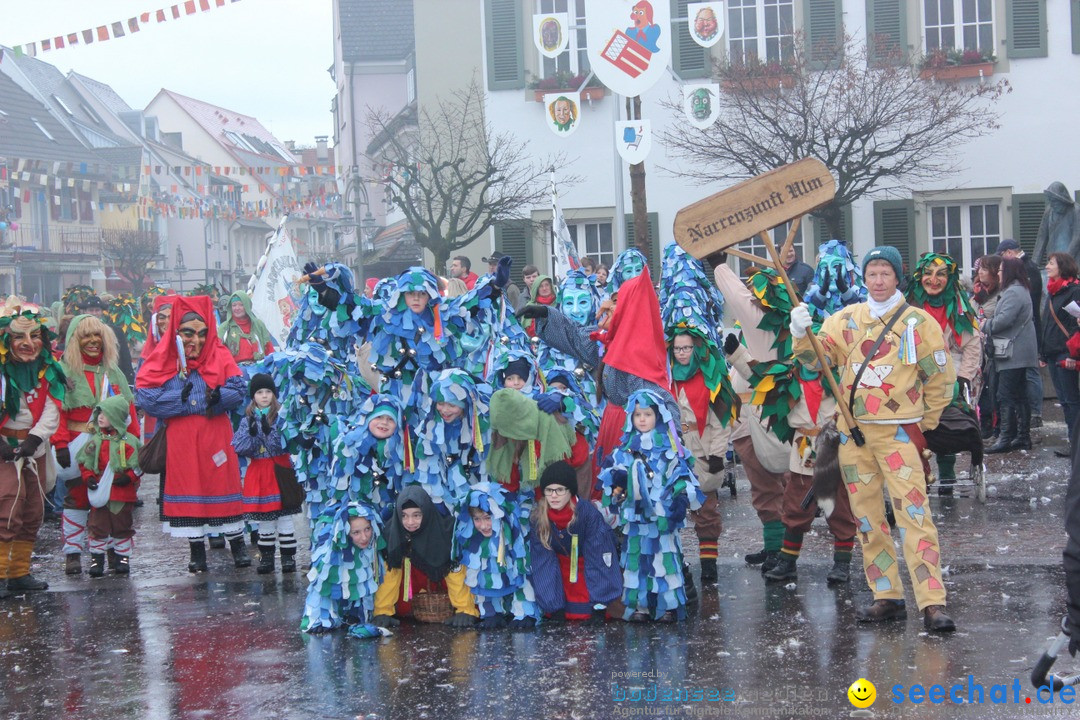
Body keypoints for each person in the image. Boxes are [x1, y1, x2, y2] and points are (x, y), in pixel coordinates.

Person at [789, 245, 957, 632]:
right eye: (872, 274)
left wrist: (923, 424)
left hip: (899, 434)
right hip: (854, 436)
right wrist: (802, 335)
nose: (878, 281)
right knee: (868, 519)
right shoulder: (844, 320)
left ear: (898, 277)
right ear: (862, 278)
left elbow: (940, 378)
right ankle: (887, 596)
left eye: (885, 273)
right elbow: (818, 361)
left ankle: (932, 602)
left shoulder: (918, 324)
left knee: (915, 516)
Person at [135, 295, 252, 573]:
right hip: (182, 437)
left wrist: (218, 398)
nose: (195, 341)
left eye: (202, 334)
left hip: (215, 432)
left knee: (223, 484)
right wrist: (179, 399)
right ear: (176, 333)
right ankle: (197, 550)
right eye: (188, 334)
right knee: (190, 487)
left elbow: (238, 387)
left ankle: (237, 544)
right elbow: (146, 397)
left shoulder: (219, 353)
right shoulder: (163, 358)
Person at [600, 390, 703, 622]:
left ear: (658, 416)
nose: (642, 419)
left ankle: (668, 606)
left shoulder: (671, 449)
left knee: (664, 560)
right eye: (637, 415)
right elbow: (613, 478)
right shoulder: (625, 450)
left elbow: (682, 475)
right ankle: (641, 607)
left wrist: (680, 499)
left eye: (647, 414)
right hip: (636, 518)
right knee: (636, 561)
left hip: (663, 516)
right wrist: (616, 485)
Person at [53, 314, 139, 576]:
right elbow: (57, 411)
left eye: (96, 335)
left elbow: (128, 412)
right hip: (77, 445)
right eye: (85, 336)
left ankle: (112, 551)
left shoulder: (113, 372)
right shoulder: (64, 371)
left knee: (112, 501)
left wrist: (135, 450)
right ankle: (73, 552)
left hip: (111, 447)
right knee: (77, 498)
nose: (92, 341)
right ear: (74, 340)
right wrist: (60, 444)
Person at [0, 298, 65, 599]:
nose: (28, 343)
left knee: (32, 510)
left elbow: (53, 407)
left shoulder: (47, 371)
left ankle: (18, 572)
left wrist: (35, 439)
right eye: (19, 337)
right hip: (5, 451)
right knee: (7, 508)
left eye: (34, 336)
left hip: (33, 449)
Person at [904, 253, 982, 494]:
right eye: (928, 273)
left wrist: (964, 377)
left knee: (944, 423)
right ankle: (918, 474)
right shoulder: (908, 308)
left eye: (941, 274)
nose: (933, 279)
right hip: (914, 374)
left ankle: (947, 471)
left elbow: (972, 345)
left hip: (952, 374)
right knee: (913, 424)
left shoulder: (959, 309)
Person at [372, 485, 479, 628]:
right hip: (407, 600)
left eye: (416, 515)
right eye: (404, 516)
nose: (410, 522)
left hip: (442, 596)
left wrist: (465, 610)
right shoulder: (392, 532)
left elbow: (454, 571)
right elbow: (390, 572)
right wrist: (382, 611)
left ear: (426, 512)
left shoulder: (443, 532)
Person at [529, 460, 622, 622]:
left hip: (588, 572)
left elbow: (599, 557)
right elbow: (542, 562)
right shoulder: (539, 518)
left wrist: (600, 603)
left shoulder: (587, 514)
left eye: (559, 490)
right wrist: (553, 605)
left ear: (570, 491)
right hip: (559, 574)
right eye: (549, 490)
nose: (554, 496)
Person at [231, 373, 300, 574]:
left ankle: (288, 558)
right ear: (253, 396)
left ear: (274, 394)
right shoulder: (247, 420)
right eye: (259, 392)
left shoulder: (282, 416)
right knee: (265, 519)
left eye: (268, 392)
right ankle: (267, 558)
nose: (264, 396)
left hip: (280, 470)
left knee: (285, 518)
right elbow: (239, 447)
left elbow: (288, 443)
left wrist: (271, 433)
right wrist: (253, 434)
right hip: (259, 471)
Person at [454, 482, 536, 629]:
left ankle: (522, 611)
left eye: (487, 518)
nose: (483, 526)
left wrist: (524, 612)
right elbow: (480, 580)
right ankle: (494, 612)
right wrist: (490, 614)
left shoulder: (517, 538)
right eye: (477, 519)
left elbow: (523, 575)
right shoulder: (474, 542)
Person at [302, 501, 389, 638]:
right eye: (356, 532)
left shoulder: (371, 550)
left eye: (367, 529)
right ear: (346, 533)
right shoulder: (330, 558)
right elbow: (320, 589)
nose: (364, 537)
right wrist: (318, 619)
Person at [76, 395, 141, 577]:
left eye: (106, 414)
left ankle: (122, 559)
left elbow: (138, 464)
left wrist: (129, 477)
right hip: (99, 493)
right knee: (97, 526)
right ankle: (97, 560)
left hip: (122, 493)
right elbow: (85, 461)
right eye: (99, 413)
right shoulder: (95, 441)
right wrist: (88, 477)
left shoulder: (129, 442)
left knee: (122, 525)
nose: (100, 417)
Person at [984, 257, 1039, 454]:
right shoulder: (1017, 289)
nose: (998, 273)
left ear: (1009, 272)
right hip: (1018, 352)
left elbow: (1002, 321)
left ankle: (1006, 438)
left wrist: (985, 324)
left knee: (1005, 394)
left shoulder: (1014, 292)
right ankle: (1022, 437)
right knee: (1018, 395)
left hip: (1014, 354)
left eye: (1000, 270)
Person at [997, 239, 1044, 428]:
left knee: (1031, 374)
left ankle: (1035, 414)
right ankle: (1027, 421)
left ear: (1009, 252)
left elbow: (1021, 308)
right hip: (1027, 329)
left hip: (1026, 332)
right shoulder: (1027, 267)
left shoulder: (1027, 269)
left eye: (1001, 257)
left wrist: (989, 324)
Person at [1041, 253, 1080, 452]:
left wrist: (1073, 354)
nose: (1047, 266)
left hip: (1066, 352)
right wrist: (1043, 353)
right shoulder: (1052, 292)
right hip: (1053, 352)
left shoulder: (1074, 291)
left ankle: (1076, 444)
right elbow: (1047, 323)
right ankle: (1073, 442)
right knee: (1064, 401)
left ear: (1062, 267)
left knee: (1072, 400)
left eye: (1051, 263)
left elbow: (1076, 324)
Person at [973, 255, 1003, 439]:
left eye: (984, 269)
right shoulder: (976, 293)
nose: (980, 272)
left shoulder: (1001, 293)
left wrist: (984, 323)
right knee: (980, 387)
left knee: (994, 388)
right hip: (977, 348)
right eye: (979, 269)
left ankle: (996, 426)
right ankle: (984, 424)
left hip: (994, 347)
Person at [78, 295, 135, 385]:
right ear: (84, 312)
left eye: (97, 310)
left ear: (101, 312)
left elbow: (125, 357)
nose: (94, 313)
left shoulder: (115, 331)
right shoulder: (78, 331)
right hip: (86, 377)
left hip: (111, 377)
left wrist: (129, 379)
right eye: (91, 310)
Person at [219, 290, 275, 365]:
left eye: (241, 305)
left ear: (247, 306)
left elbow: (269, 349)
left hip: (259, 368)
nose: (237, 308)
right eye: (234, 305)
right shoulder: (225, 327)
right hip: (235, 371)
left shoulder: (258, 325)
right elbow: (218, 352)